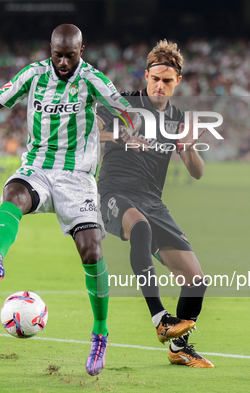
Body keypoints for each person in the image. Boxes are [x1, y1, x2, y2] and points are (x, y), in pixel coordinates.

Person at [0, 24, 133, 376]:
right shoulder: (33, 74)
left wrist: (131, 129)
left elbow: (123, 107)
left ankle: (101, 333)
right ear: (50, 50)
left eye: (70, 56)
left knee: (91, 250)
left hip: (77, 177)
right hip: (38, 168)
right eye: (57, 54)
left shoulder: (92, 79)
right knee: (14, 194)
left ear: (82, 51)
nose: (62, 62)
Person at [97, 40, 214, 368]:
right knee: (140, 227)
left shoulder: (178, 119)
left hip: (152, 200)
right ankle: (160, 317)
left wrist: (188, 147)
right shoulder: (124, 104)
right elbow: (91, 130)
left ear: (177, 82)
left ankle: (179, 348)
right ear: (146, 76)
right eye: (154, 78)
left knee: (196, 280)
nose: (159, 86)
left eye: (167, 81)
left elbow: (197, 173)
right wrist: (118, 135)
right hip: (114, 192)